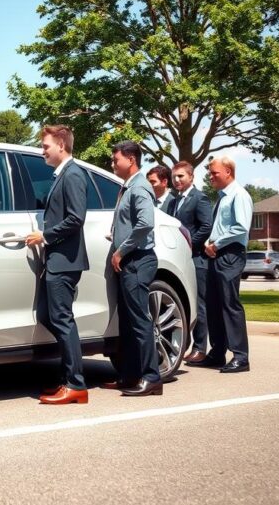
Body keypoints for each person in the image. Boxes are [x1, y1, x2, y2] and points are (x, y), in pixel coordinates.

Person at [25, 125, 89, 405]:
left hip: (65, 261)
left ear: (61, 145)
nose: (43, 152)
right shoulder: (60, 175)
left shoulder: (73, 174)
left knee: (62, 320)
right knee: (50, 317)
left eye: (46, 147)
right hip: (57, 260)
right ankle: (69, 378)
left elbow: (77, 218)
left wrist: (45, 236)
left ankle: (76, 384)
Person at [105, 141, 162, 396]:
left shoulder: (139, 187)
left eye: (116, 160)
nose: (113, 164)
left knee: (140, 321)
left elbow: (145, 224)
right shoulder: (128, 187)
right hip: (130, 260)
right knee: (128, 323)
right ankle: (129, 376)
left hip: (137, 260)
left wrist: (121, 249)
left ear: (131, 159)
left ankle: (152, 378)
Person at [187, 156, 253, 373]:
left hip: (229, 254)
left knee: (229, 304)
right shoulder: (222, 197)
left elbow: (241, 228)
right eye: (210, 172)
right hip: (216, 253)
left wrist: (216, 244)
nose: (211, 176)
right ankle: (217, 353)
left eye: (214, 173)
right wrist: (210, 243)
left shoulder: (239, 195)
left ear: (228, 172)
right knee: (214, 304)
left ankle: (241, 357)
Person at [168, 161, 213, 363]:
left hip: (196, 259)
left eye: (181, 176)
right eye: (174, 176)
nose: (177, 180)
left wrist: (188, 244)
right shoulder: (173, 201)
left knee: (199, 304)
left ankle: (200, 348)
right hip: (179, 260)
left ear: (191, 177)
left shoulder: (199, 198)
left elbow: (206, 226)